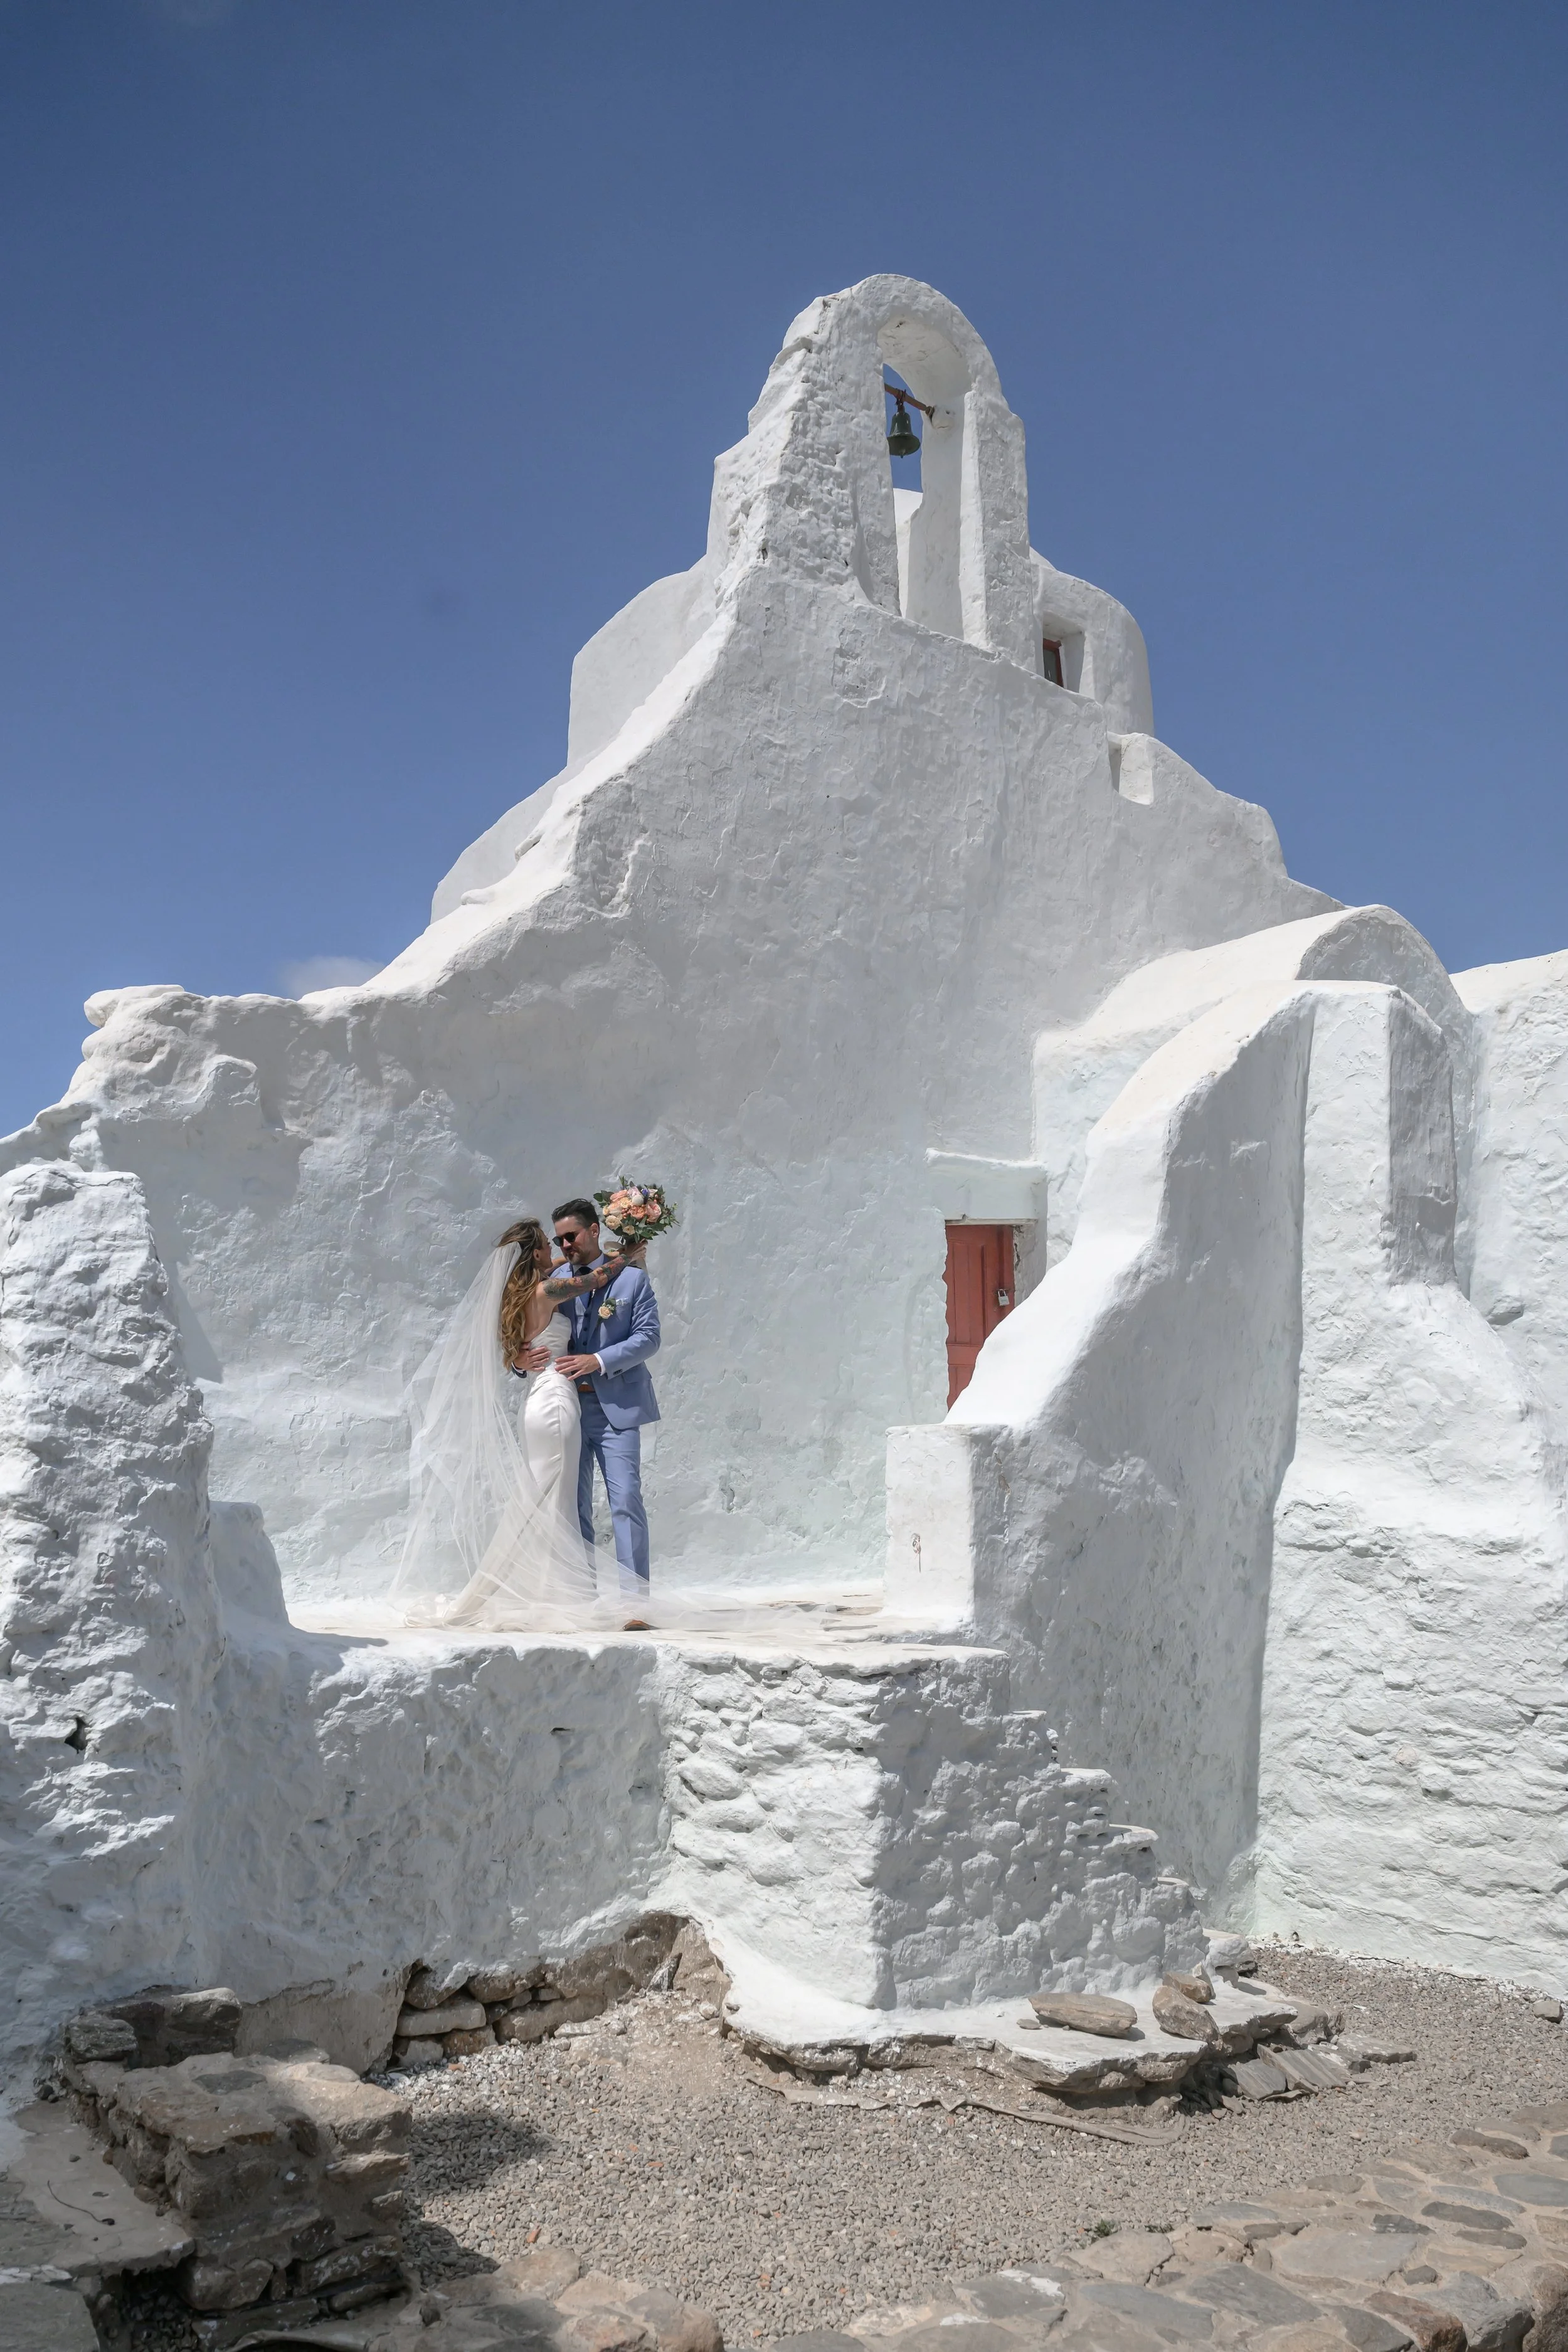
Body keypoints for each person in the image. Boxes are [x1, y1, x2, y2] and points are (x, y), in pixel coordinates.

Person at [393, 1217, 627, 1629]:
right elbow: (594, 1281)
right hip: (555, 1401)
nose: (555, 1249)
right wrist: (626, 1254)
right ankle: (560, 1595)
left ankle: (558, 1592)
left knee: (548, 1498)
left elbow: (549, 1268)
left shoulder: (515, 1298)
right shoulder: (546, 1290)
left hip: (539, 1399)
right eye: (546, 1245)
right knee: (552, 1499)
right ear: (534, 1254)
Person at [520, 1197, 661, 1611]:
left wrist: (597, 1360)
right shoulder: (554, 1280)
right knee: (574, 1506)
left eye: (572, 1236)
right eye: (559, 1239)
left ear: (595, 1231)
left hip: (615, 1408)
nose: (565, 1245)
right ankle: (584, 1600)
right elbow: (523, 1331)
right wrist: (517, 1360)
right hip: (564, 1410)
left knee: (626, 1501)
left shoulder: (632, 1280)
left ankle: (635, 1606)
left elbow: (648, 1338)